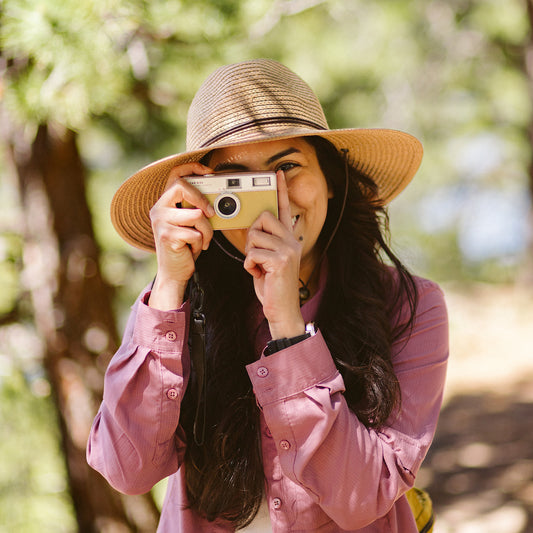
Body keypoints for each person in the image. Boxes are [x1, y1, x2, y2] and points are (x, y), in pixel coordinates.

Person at [87, 58, 448, 532]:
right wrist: (169, 285)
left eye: (288, 167)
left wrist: (286, 326)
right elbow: (127, 470)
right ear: (203, 201)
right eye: (237, 181)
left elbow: (364, 495)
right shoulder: (176, 312)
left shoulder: (410, 306)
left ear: (331, 181)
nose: (274, 200)